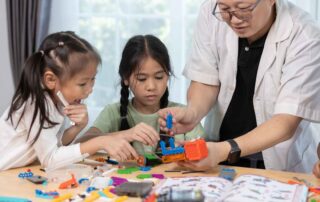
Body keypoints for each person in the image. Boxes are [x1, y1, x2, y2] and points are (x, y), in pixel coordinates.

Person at [158, 0, 320, 173]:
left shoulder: (305, 35)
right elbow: (205, 79)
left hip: (277, 165)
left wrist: (223, 150)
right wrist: (192, 113)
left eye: (243, 9)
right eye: (225, 9)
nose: (234, 20)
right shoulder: (210, 11)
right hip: (217, 158)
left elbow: (285, 122)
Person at [0, 31, 136, 171]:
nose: (90, 90)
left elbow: (54, 145)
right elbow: (50, 160)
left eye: (92, 79)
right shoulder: (35, 103)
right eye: (83, 84)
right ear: (51, 80)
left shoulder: (58, 101)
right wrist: (100, 142)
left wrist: (78, 127)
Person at [77, 35, 206, 156]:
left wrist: (186, 151)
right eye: (142, 79)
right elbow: (80, 146)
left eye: (159, 77)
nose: (151, 86)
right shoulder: (113, 113)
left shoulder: (182, 115)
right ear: (126, 78)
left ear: (168, 76)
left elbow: (205, 151)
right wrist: (127, 134)